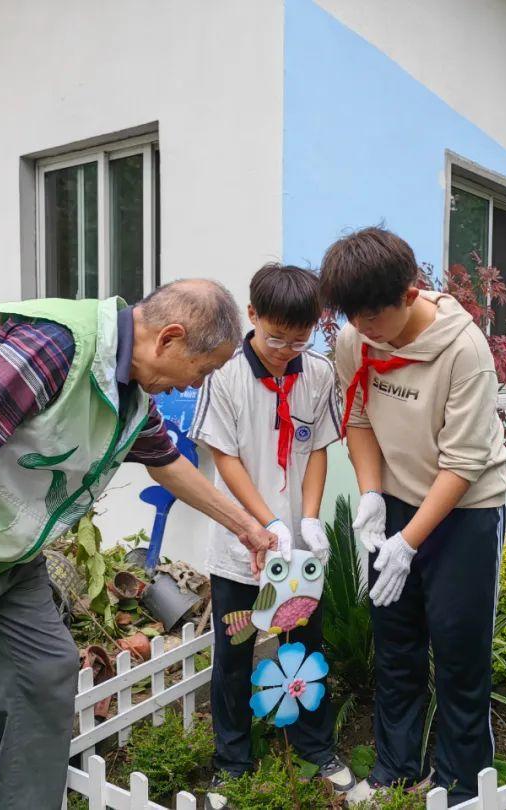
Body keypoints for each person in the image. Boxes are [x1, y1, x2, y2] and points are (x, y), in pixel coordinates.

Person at [0, 280, 277, 809]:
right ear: (169, 339)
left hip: (0, 551)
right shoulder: (54, 348)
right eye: (201, 371)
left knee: (43, 676)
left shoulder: (129, 387)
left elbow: (167, 463)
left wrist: (248, 527)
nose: (191, 387)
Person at [320, 227, 506, 804]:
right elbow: (357, 419)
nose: (365, 330)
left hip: (466, 509)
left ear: (410, 292)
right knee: (395, 639)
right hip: (396, 499)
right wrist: (373, 495)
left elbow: (464, 462)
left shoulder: (464, 350)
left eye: (375, 315)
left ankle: (460, 781)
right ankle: (396, 767)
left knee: (458, 646)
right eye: (354, 317)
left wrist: (409, 543)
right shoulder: (356, 338)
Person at [189, 264, 354, 809]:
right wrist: (266, 523)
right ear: (253, 315)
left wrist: (307, 519)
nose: (286, 349)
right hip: (241, 546)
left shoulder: (319, 373)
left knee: (304, 646)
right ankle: (232, 762)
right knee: (235, 651)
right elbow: (224, 456)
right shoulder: (224, 373)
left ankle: (317, 748)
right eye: (276, 336)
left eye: (299, 339)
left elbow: (317, 450)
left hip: (299, 556)